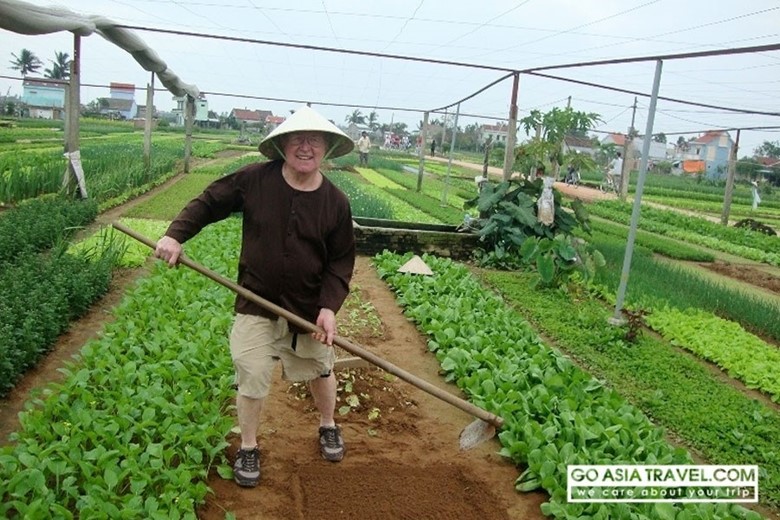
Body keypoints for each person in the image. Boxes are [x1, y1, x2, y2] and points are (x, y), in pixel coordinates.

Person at [154, 105, 356, 489]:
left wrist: (329, 308)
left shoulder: (336, 203)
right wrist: (175, 234)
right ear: (282, 144)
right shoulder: (254, 180)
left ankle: (328, 425)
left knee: (321, 367)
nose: (306, 147)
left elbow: (341, 260)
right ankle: (248, 446)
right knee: (251, 372)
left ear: (327, 147)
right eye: (297, 138)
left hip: (306, 309)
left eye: (315, 140)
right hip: (255, 301)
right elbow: (210, 201)